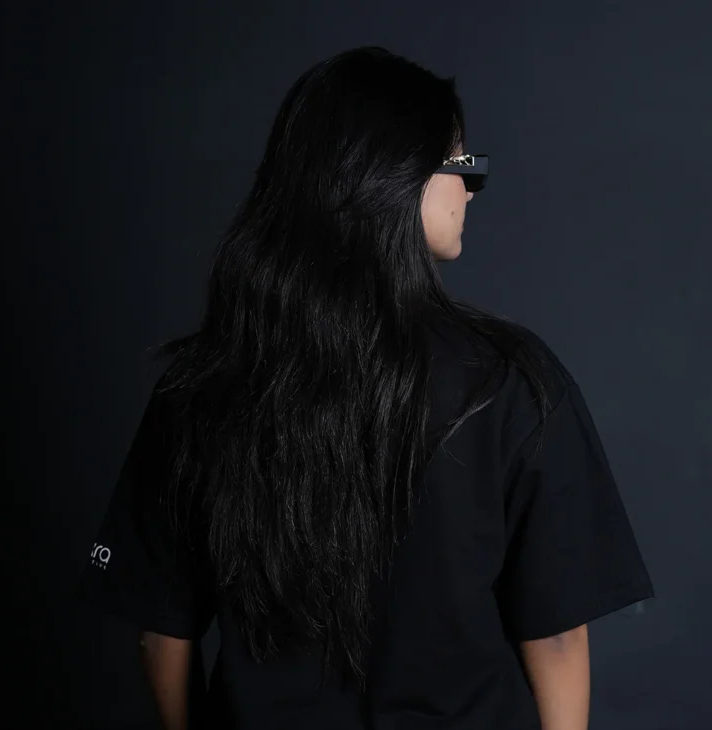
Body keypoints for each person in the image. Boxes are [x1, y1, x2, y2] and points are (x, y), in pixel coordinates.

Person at [80, 46, 655, 730]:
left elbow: (161, 631)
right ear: (394, 175)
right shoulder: (511, 381)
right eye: (461, 163)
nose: (472, 188)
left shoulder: (204, 386)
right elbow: (556, 636)